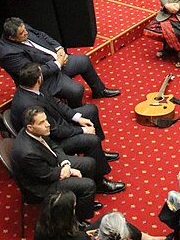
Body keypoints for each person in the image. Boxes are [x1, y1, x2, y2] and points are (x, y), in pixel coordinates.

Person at [11, 63, 121, 191]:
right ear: (39, 79)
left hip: (57, 123)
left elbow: (56, 104)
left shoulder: (32, 87)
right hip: (52, 140)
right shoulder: (29, 105)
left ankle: (98, 153)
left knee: (90, 110)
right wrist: (82, 130)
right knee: (92, 140)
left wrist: (77, 118)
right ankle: (100, 182)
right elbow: (53, 131)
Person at [0, 17, 119, 108]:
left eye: (24, 30)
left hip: (55, 60)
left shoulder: (20, 28)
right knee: (77, 90)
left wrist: (58, 48)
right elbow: (33, 73)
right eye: (22, 33)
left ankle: (99, 91)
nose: (26, 33)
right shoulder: (8, 54)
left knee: (84, 61)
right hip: (43, 79)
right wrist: (57, 64)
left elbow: (41, 35)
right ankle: (75, 112)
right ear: (12, 38)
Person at [11, 106, 101, 221]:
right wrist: (69, 171)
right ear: (30, 127)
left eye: (46, 120)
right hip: (41, 186)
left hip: (51, 164)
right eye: (42, 122)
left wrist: (65, 163)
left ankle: (83, 202)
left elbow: (54, 145)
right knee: (88, 185)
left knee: (90, 163)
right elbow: (46, 175)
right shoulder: (27, 153)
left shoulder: (36, 130)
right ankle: (78, 220)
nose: (47, 124)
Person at [34, 191, 167, 240]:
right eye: (74, 208)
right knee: (114, 225)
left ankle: (145, 238)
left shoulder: (40, 230)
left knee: (109, 220)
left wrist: (83, 234)